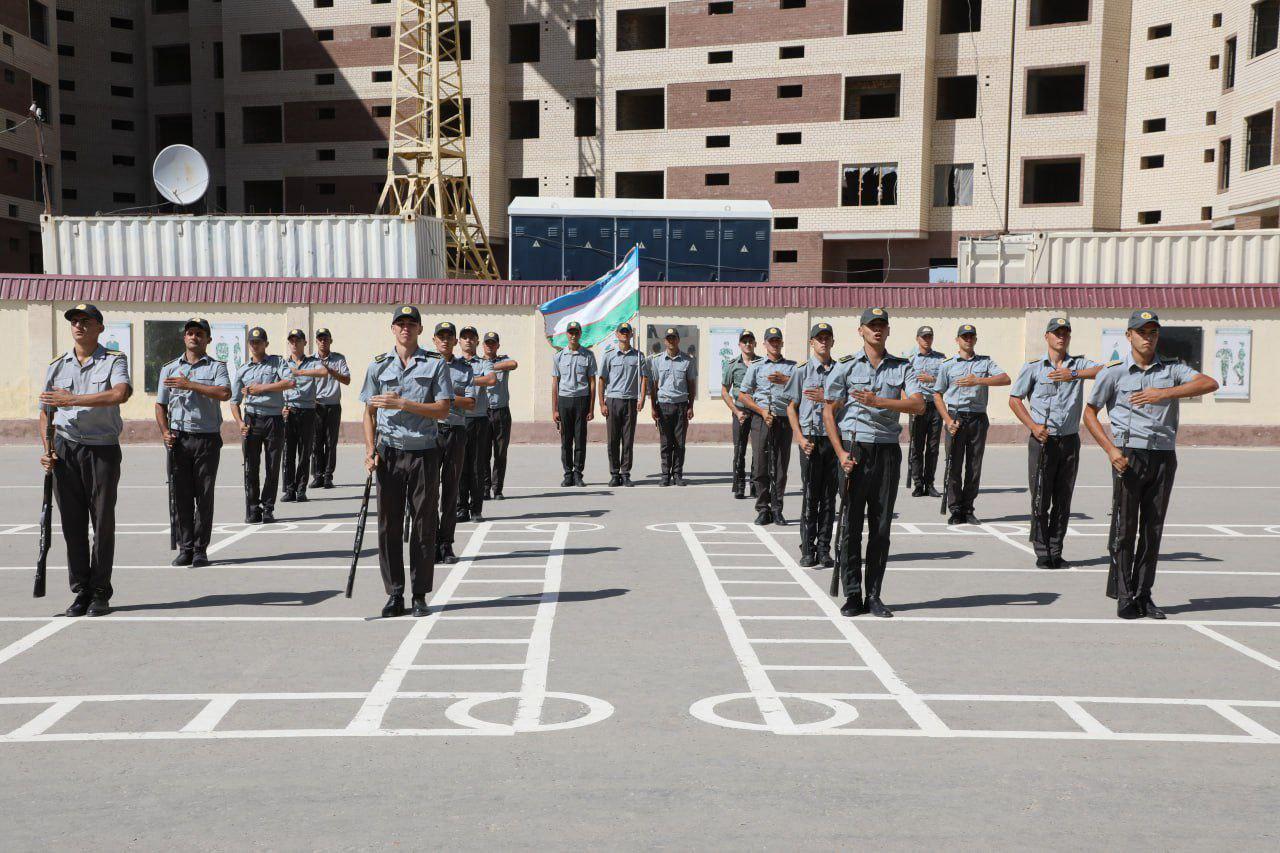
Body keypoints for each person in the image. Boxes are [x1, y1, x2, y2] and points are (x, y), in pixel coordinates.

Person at [1083, 310, 1218, 619]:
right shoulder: (1114, 372)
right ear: (1129, 336)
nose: (1148, 337)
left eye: (1153, 332)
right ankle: (1124, 594)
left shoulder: (1171, 369)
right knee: (1125, 528)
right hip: (1129, 455)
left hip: (1163, 455)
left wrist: (1164, 393)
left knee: (1153, 528)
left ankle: (1145, 594)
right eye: (1142, 332)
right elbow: (1090, 412)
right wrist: (1109, 450)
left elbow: (1209, 383)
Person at [822, 308, 925, 618]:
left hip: (887, 451)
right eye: (871, 326)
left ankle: (875, 595)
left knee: (880, 527)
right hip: (855, 448)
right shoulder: (846, 367)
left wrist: (880, 401)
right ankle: (853, 595)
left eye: (882, 326)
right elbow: (829, 411)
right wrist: (840, 453)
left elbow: (918, 405)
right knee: (851, 525)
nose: (877, 331)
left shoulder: (902, 367)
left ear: (888, 331)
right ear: (861, 331)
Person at [38, 303, 132, 617]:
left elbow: (119, 394)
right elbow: (45, 411)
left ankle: (101, 592)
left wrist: (73, 399)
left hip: (102, 449)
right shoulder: (57, 365)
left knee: (102, 523)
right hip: (66, 450)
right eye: (75, 322)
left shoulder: (114, 360)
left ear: (100, 328)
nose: (79, 326)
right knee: (72, 526)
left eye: (86, 321)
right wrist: (48, 447)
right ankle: (81, 591)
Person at [360, 305, 453, 618]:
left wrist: (404, 403)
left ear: (420, 330)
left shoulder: (436, 364)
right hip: (389, 454)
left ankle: (419, 594)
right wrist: (370, 449)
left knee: (424, 525)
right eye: (400, 324)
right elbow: (368, 413)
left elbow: (442, 410)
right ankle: (395, 593)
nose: (406, 329)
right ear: (393, 329)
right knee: (389, 526)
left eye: (412, 324)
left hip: (424, 452)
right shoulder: (378, 366)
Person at [1008, 317, 1104, 568]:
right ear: (1047, 337)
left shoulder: (1079, 364)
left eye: (1065, 332)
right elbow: (1015, 399)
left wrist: (1073, 374)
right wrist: (1033, 426)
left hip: (1069, 440)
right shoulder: (1033, 368)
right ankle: (1042, 551)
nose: (1061, 336)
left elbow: (1105, 370)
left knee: (1063, 498)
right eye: (1056, 332)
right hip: (1043, 440)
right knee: (1041, 497)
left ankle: (1056, 549)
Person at [155, 317, 232, 568]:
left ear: (208, 339)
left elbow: (224, 393)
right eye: (190, 333)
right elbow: (160, 404)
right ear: (184, 337)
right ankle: (185, 547)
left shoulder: (217, 367)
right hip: (179, 438)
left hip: (206, 438)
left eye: (199, 333)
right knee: (182, 495)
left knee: (204, 495)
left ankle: (201, 549)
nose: (194, 337)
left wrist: (189, 384)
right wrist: (165, 431)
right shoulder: (169, 368)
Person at [932, 324, 1010, 525]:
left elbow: (1005, 379)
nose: (968, 339)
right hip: (955, 417)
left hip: (977, 417)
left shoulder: (985, 362)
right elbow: (937, 394)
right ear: (957, 340)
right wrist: (947, 421)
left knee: (974, 466)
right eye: (964, 336)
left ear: (975, 339)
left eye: (971, 336)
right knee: (954, 465)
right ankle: (955, 509)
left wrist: (979, 381)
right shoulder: (947, 365)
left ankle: (968, 508)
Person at [787, 322, 838, 568]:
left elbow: (846, 404)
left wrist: (827, 398)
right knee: (810, 495)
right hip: (809, 439)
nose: (823, 342)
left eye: (827, 338)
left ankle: (824, 548)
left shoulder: (841, 371)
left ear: (832, 342)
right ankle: (807, 548)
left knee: (829, 496)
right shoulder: (801, 371)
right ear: (811, 343)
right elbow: (790, 407)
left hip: (832, 439)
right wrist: (799, 436)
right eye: (819, 338)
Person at [230, 326, 293, 524]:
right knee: (251, 467)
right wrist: (240, 422)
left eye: (259, 341)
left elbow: (290, 382)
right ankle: (252, 507)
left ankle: (268, 507)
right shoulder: (243, 369)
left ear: (266, 343)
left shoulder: (277, 362)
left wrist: (261, 388)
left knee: (273, 466)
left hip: (274, 419)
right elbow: (234, 401)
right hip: (252, 420)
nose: (255, 345)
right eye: (252, 342)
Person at [739, 326, 798, 525]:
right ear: (764, 344)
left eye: (777, 341)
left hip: (784, 419)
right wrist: (762, 411)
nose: (774, 344)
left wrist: (786, 380)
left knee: (781, 466)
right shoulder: (756, 366)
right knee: (761, 465)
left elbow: (802, 389)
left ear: (781, 343)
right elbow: (743, 395)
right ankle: (763, 508)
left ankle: (777, 507)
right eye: (770, 341)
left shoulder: (792, 367)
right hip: (762, 419)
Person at [434, 321, 474, 564]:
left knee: (451, 490)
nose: (445, 340)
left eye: (450, 336)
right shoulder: (426, 364)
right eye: (441, 336)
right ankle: (428, 541)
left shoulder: (464, 368)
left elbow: (471, 402)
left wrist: (445, 399)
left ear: (455, 341)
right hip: (430, 432)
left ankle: (445, 543)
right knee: (427, 491)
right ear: (434, 340)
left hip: (456, 432)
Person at [458, 325, 503, 521]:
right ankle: (460, 507)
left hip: (479, 420)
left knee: (477, 466)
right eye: (464, 337)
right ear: (459, 341)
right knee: (459, 467)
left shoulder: (484, 363)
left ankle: (476, 508)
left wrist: (467, 380)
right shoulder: (454, 363)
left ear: (477, 342)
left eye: (471, 337)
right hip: (458, 421)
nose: (468, 340)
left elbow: (491, 379)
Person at [280, 329, 328, 503]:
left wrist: (300, 373)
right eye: (291, 341)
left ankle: (301, 489)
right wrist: (280, 408)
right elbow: (277, 384)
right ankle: (289, 489)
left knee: (304, 452)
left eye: (297, 340)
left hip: (307, 411)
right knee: (289, 453)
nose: (294, 344)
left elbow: (323, 373)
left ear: (304, 343)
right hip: (289, 411)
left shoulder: (312, 362)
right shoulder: (283, 363)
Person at [598, 322, 647, 487]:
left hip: (630, 401)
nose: (625, 334)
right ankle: (614, 473)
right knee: (612, 440)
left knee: (628, 440)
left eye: (627, 332)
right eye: (622, 332)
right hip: (612, 400)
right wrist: (601, 403)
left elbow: (644, 378)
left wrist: (642, 398)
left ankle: (625, 473)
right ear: (617, 335)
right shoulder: (609, 355)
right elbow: (602, 379)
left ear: (631, 335)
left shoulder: (639, 356)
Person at [648, 327, 696, 486]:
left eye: (673, 337)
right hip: (663, 405)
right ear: (664, 341)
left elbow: (691, 384)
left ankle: (677, 474)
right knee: (665, 443)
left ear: (678, 340)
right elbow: (653, 385)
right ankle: (665, 475)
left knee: (680, 443)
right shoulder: (657, 360)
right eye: (668, 338)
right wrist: (653, 407)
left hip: (681, 406)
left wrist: (690, 406)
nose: (671, 340)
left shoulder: (687, 360)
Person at [551, 321, 597, 486]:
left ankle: (578, 474)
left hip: (581, 400)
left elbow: (592, 382)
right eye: (570, 332)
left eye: (576, 332)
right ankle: (568, 474)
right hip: (564, 400)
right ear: (566, 334)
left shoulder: (588, 355)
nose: (573, 335)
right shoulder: (559, 356)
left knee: (580, 439)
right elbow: (555, 384)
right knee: (566, 440)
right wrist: (554, 409)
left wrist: (591, 408)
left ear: (580, 334)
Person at [906, 326, 945, 498]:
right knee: (917, 447)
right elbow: (903, 383)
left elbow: (947, 381)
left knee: (933, 447)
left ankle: (929, 484)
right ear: (917, 338)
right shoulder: (909, 358)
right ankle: (918, 484)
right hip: (918, 406)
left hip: (935, 406)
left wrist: (933, 379)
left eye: (929, 336)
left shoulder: (941, 359)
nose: (926, 340)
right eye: (924, 337)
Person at [721, 331, 760, 499]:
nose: (747, 344)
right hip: (740, 412)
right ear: (739, 345)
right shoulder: (732, 365)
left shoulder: (761, 363)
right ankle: (739, 485)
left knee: (759, 451)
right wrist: (736, 411)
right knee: (740, 450)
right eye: (744, 341)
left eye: (750, 341)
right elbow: (724, 391)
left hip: (758, 412)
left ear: (755, 344)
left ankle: (755, 485)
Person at [309, 327, 350, 490]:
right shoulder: (310, 360)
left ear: (330, 341)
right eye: (320, 339)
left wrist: (331, 371)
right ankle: (317, 476)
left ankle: (328, 476)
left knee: (330, 443)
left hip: (333, 406)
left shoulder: (338, 359)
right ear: (316, 341)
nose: (323, 341)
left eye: (326, 338)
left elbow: (347, 380)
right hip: (316, 405)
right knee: (316, 442)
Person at [482, 331, 519, 500]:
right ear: (483, 345)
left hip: (501, 411)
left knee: (500, 452)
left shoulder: (503, 361)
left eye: (493, 343)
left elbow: (514, 364)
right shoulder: (477, 362)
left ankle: (497, 489)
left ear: (497, 345)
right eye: (487, 343)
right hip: (483, 412)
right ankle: (484, 487)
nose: (490, 346)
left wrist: (490, 368)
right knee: (482, 453)